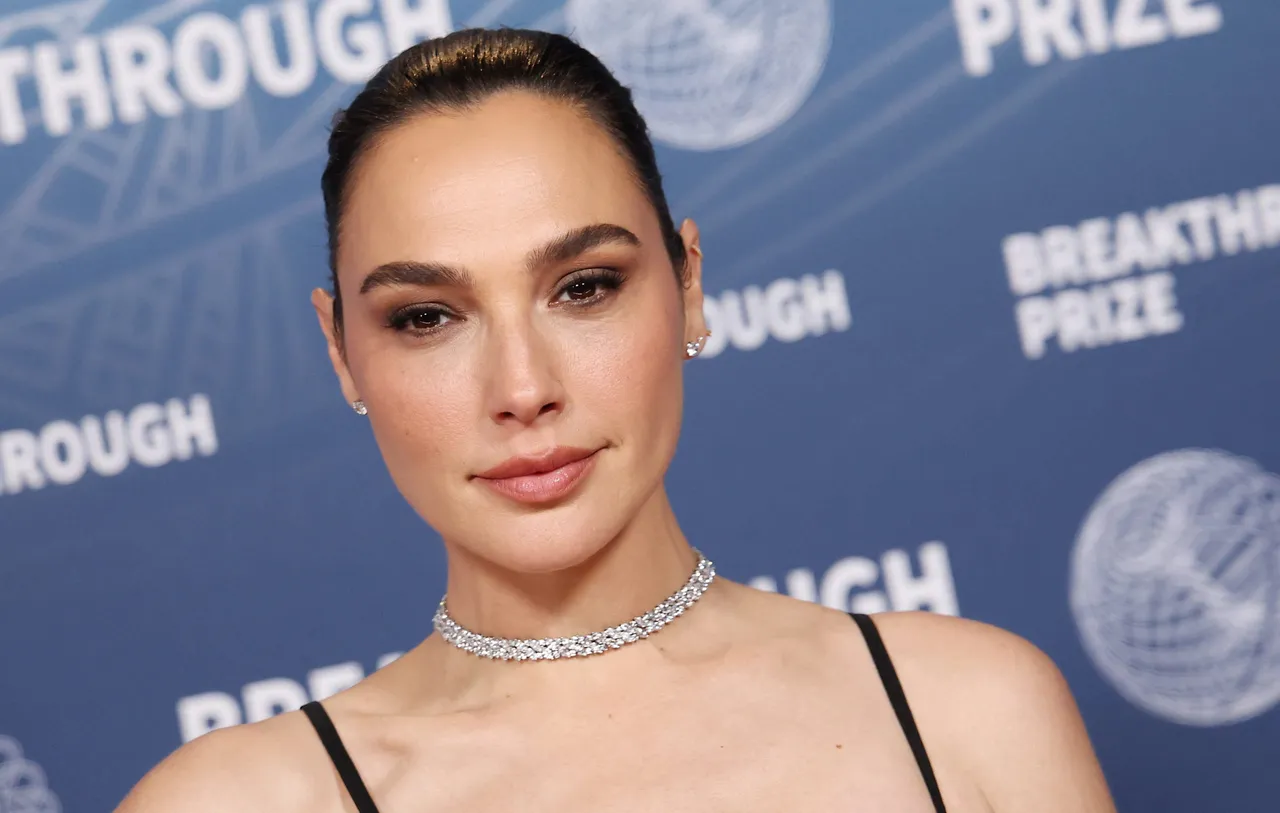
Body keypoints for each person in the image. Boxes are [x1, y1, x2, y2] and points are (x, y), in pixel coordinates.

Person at [116, 28, 1117, 813]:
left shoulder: (971, 712)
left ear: (686, 286)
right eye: (426, 317)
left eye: (584, 288)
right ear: (342, 351)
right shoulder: (237, 801)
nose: (521, 386)